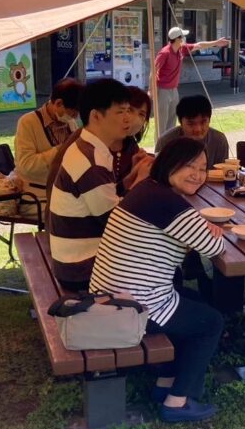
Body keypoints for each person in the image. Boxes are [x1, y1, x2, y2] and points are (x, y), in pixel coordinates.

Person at [90, 137, 226, 423]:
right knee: (211, 323)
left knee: (194, 301)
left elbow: (189, 234)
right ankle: (177, 402)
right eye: (189, 166)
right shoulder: (168, 203)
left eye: (202, 168)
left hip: (109, 293)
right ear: (169, 164)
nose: (197, 175)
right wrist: (211, 230)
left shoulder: (147, 190)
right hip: (133, 308)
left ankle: (166, 382)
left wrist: (200, 228)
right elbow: (214, 248)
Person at [47, 79, 152, 292]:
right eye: (120, 112)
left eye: (129, 111)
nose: (128, 118)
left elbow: (105, 198)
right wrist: (141, 180)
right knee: (160, 260)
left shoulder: (90, 147)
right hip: (82, 268)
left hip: (78, 259)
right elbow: (118, 223)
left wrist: (131, 177)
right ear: (96, 116)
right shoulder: (91, 160)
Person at [14, 78, 84, 205]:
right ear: (58, 103)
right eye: (73, 113)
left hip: (65, 191)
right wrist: (60, 150)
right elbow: (25, 165)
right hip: (37, 196)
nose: (75, 117)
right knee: (78, 214)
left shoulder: (70, 122)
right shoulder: (28, 122)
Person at [154, 27, 229, 138]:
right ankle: (159, 145)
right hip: (163, 90)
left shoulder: (181, 49)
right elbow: (153, 70)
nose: (184, 38)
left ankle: (170, 144)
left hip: (174, 90)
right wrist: (151, 90)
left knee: (172, 120)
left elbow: (199, 45)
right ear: (177, 39)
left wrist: (216, 43)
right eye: (182, 36)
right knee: (162, 122)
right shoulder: (164, 53)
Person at [155, 95, 230, 166]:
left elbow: (223, 172)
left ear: (209, 120)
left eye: (203, 122)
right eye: (191, 124)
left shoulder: (219, 141)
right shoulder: (165, 142)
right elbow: (159, 173)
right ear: (180, 122)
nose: (198, 129)